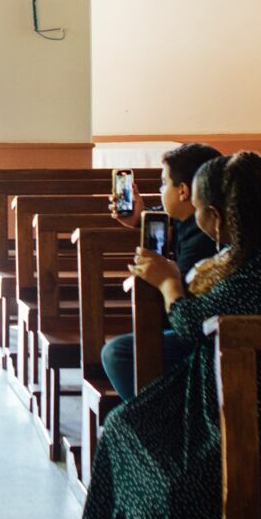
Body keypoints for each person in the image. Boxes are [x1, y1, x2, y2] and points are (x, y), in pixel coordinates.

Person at [69, 150, 261, 519]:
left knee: (152, 463)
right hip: (233, 403)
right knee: (126, 427)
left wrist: (168, 285)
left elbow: (193, 323)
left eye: (201, 209)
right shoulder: (254, 256)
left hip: (249, 425)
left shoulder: (257, 269)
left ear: (218, 217)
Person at [100, 142, 219, 402]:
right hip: (200, 327)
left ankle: (158, 414)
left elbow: (188, 310)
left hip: (204, 334)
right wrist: (139, 216)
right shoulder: (190, 219)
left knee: (118, 353)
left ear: (183, 191)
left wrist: (163, 281)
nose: (160, 191)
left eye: (163, 184)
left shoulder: (204, 235)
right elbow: (165, 215)